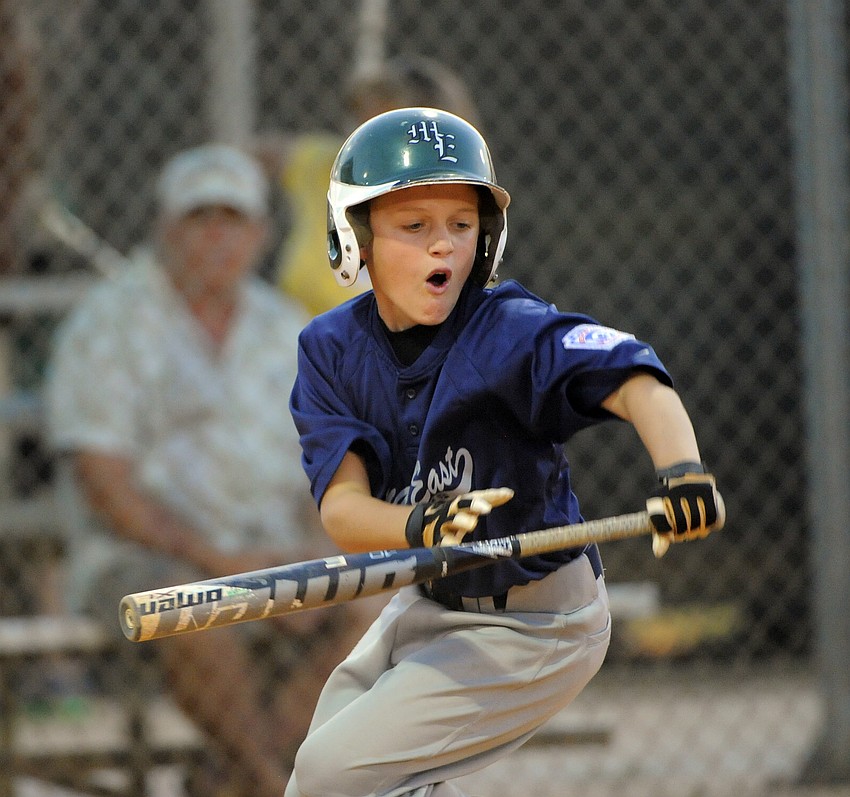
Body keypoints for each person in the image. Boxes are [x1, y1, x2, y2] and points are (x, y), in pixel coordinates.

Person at [284, 107, 726, 797]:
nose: (443, 248)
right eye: (414, 226)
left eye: (461, 225)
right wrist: (417, 528)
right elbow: (344, 508)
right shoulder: (329, 351)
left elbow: (635, 378)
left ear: (487, 237)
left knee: (327, 775)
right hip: (433, 602)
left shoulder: (507, 331)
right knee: (333, 782)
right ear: (356, 237)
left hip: (538, 622)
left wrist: (684, 472)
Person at [45, 144, 370, 797]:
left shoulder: (287, 330)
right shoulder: (107, 324)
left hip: (273, 553)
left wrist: (313, 554)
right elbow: (106, 487)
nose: (218, 236)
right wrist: (220, 562)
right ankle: (265, 780)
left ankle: (229, 779)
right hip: (144, 554)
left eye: (233, 219)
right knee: (192, 604)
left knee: (381, 603)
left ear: (260, 234)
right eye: (200, 219)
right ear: (165, 229)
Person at [254, 54, 480, 317]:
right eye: (364, 121)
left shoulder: (457, 220)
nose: (366, 137)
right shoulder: (326, 166)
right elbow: (242, 158)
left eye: (389, 127)